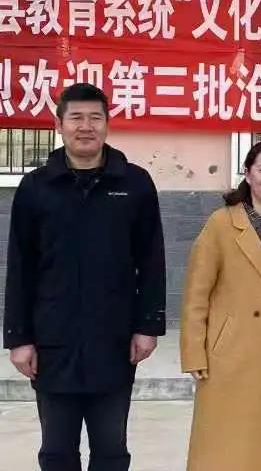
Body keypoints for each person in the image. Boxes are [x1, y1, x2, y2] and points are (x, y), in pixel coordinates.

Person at [3, 83, 166, 471]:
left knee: (111, 449)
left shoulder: (134, 184)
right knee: (57, 450)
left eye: (95, 118)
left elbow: (152, 261)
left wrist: (148, 326)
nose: (86, 126)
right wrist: (18, 338)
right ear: (59, 125)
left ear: (107, 124)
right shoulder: (36, 187)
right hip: (53, 340)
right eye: (76, 117)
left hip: (114, 338)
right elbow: (21, 267)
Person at [180, 139, 261, 471]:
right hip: (229, 354)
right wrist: (194, 351)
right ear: (248, 174)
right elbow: (196, 294)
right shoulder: (221, 223)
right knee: (224, 445)